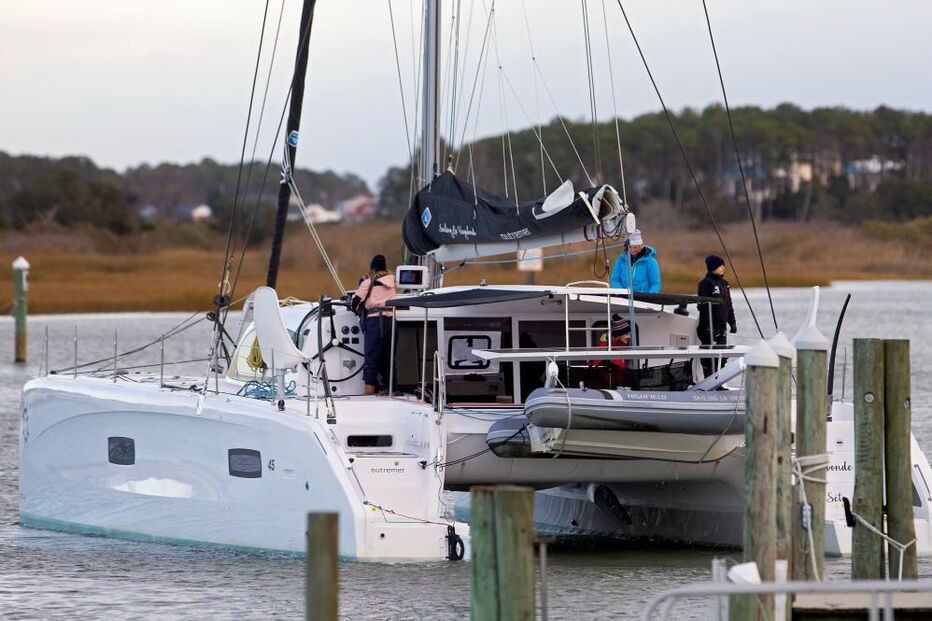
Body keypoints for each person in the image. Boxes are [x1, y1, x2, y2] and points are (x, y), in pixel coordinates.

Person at [352, 254, 397, 395]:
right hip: (392, 322)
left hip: (375, 323)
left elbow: (355, 302)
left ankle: (368, 395)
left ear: (373, 268)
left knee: (371, 360)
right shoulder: (394, 280)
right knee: (389, 358)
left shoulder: (368, 283)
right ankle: (390, 391)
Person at [697, 254, 737, 378]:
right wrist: (708, 323)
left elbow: (729, 304)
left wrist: (732, 322)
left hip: (722, 326)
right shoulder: (705, 283)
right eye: (720, 266)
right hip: (709, 326)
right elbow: (701, 305)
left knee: (722, 354)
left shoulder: (725, 283)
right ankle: (708, 381)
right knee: (709, 357)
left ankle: (718, 382)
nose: (723, 268)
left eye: (723, 265)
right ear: (713, 267)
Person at [587, 314, 633, 389]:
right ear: (619, 335)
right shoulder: (605, 347)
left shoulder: (620, 347)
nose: (629, 337)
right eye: (627, 334)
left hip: (616, 388)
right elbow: (594, 367)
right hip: (604, 389)